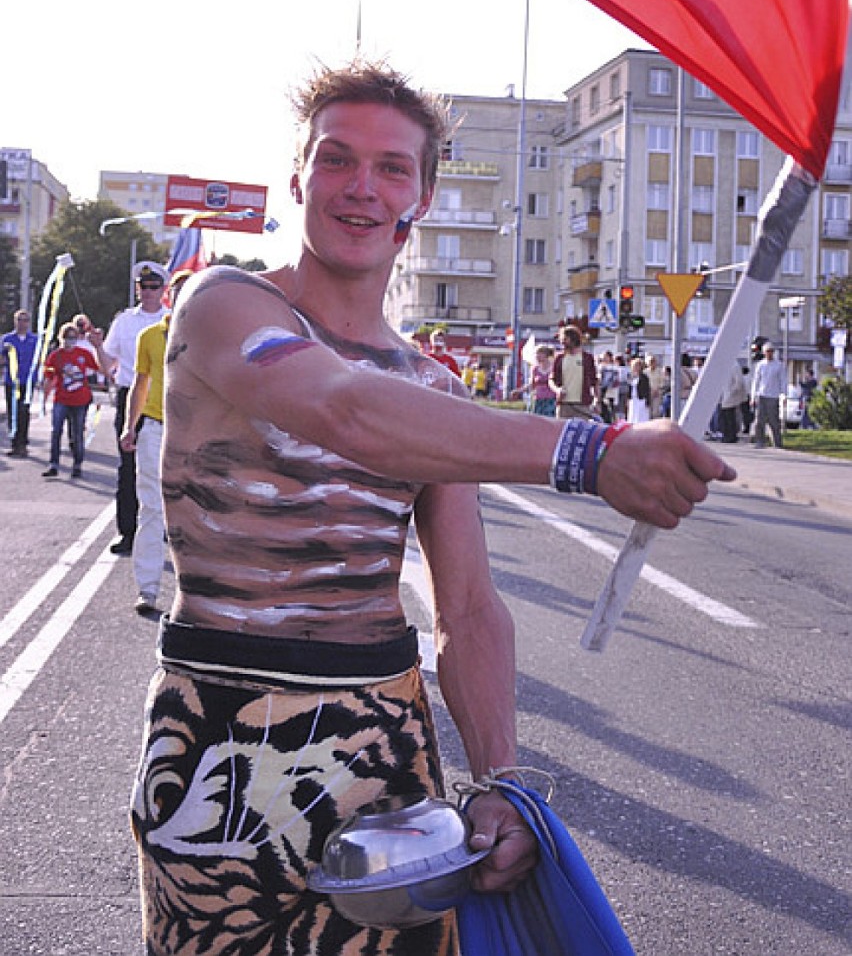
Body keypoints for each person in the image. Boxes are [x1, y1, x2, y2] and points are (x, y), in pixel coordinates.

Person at [131, 61, 735, 956]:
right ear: (298, 177)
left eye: (391, 168)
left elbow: (470, 608)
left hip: (380, 745)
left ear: (423, 195)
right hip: (218, 727)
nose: (361, 188)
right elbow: (342, 407)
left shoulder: (432, 388)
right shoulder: (222, 304)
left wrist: (499, 778)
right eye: (337, 160)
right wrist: (587, 451)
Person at [119, 271, 191, 617]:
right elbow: (140, 383)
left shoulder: (208, 334)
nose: (180, 297)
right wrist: (129, 426)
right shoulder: (149, 336)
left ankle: (192, 596)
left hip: (195, 433)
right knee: (151, 508)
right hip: (155, 427)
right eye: (176, 292)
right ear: (169, 298)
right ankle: (147, 589)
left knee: (192, 514)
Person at [91, 261, 167, 554]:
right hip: (130, 397)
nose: (147, 292)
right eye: (143, 287)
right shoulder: (124, 321)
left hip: (162, 399)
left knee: (164, 466)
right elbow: (108, 366)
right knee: (128, 468)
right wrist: (98, 346)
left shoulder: (172, 320)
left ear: (162, 290)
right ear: (137, 290)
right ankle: (128, 532)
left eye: (153, 287)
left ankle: (163, 529)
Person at [41, 322, 100, 478]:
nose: (70, 340)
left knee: (77, 433)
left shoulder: (83, 353)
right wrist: (44, 399)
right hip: (61, 398)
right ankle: (54, 464)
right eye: (68, 337)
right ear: (62, 338)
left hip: (81, 399)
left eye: (73, 337)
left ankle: (77, 464)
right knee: (56, 432)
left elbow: (98, 366)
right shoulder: (55, 356)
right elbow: (49, 378)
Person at [3, 309, 39, 457]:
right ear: (15, 321)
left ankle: (23, 443)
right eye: (19, 320)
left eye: (25, 320)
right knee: (13, 413)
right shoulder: (7, 339)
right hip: (12, 381)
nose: (22, 323)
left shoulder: (35, 340)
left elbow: (40, 360)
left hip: (28, 381)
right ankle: (14, 443)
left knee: (24, 412)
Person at [549, 324, 598, 420]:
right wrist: (557, 390)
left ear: (573, 339)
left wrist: (597, 400)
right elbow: (551, 380)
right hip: (564, 405)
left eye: (565, 339)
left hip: (582, 405)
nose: (562, 342)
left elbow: (594, 381)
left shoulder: (587, 358)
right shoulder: (559, 358)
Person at [750, 339, 787, 448]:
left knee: (774, 421)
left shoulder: (779, 365)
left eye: (771, 351)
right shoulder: (760, 365)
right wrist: (753, 397)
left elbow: (783, 380)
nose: (769, 353)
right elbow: (756, 381)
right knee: (759, 420)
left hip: (773, 396)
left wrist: (784, 395)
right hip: (762, 395)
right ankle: (760, 441)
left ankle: (777, 443)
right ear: (764, 352)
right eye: (767, 351)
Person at [719, 361, 749, 444]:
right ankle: (726, 435)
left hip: (731, 395)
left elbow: (739, 382)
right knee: (725, 416)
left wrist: (732, 392)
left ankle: (731, 436)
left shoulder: (734, 365)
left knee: (730, 417)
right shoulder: (724, 365)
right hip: (725, 394)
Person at [529, 344, 557, 415]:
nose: (537, 356)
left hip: (551, 400)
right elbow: (531, 384)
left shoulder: (554, 368)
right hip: (538, 400)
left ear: (546, 355)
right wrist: (519, 391)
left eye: (539, 353)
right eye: (536, 354)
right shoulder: (535, 369)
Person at [627, 356, 651, 424]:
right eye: (635, 366)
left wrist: (647, 401)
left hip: (641, 399)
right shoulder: (631, 376)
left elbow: (647, 389)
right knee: (632, 416)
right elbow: (629, 388)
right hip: (633, 399)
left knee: (641, 417)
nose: (636, 367)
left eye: (638, 366)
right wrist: (628, 399)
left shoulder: (644, 377)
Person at [645, 354, 667, 420]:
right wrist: (650, 389)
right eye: (650, 362)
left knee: (655, 412)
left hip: (657, 393)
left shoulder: (660, 371)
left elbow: (663, 381)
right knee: (648, 411)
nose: (652, 363)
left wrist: (657, 389)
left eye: (653, 361)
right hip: (648, 393)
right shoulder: (645, 372)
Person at [800, 365, 819, 430]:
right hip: (806, 398)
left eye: (806, 374)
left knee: (808, 413)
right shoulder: (808, 381)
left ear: (809, 374)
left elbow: (806, 387)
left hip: (810, 399)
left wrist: (801, 383)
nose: (806, 375)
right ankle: (806, 425)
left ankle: (807, 425)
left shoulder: (813, 381)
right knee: (806, 413)